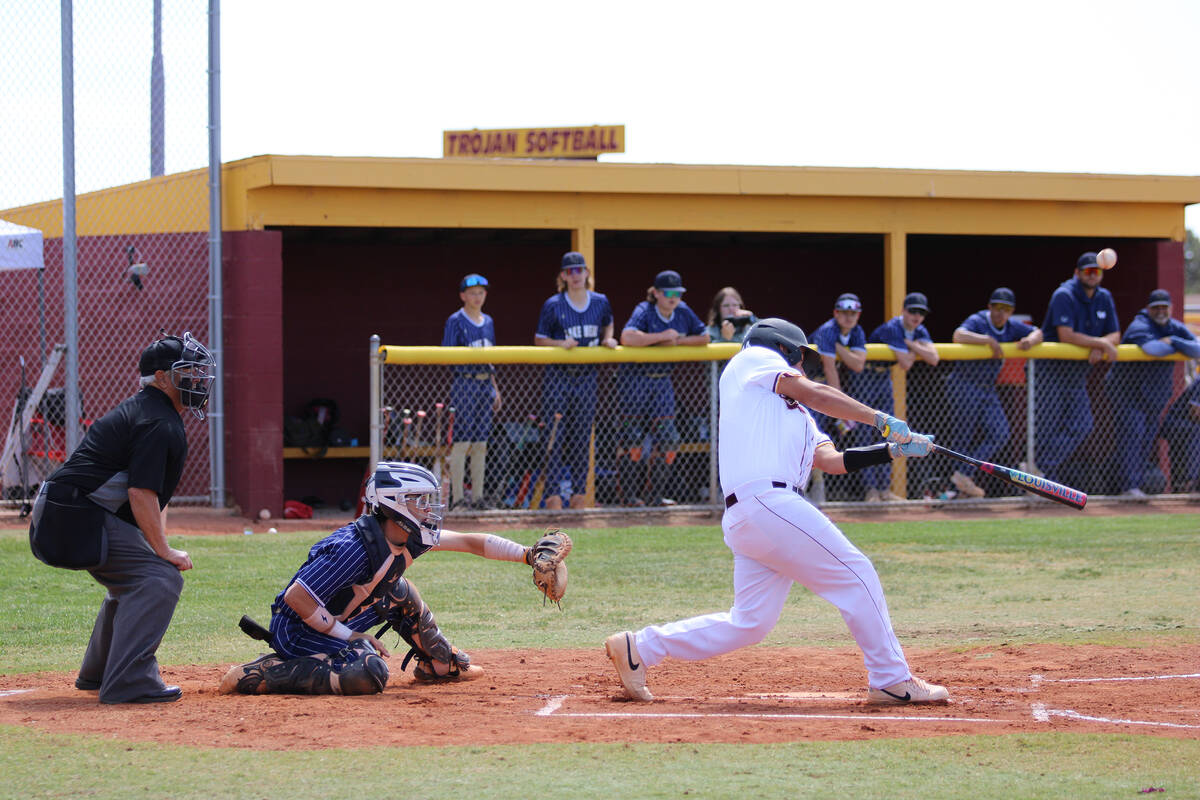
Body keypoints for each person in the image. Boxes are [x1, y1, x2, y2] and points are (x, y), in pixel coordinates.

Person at [604, 318, 947, 704]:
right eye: (799, 357)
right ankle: (891, 678)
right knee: (858, 574)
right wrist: (879, 419)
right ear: (782, 347)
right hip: (767, 503)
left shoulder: (793, 413)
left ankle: (640, 648)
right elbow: (813, 390)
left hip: (759, 515)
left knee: (749, 623)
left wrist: (893, 450)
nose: (802, 364)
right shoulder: (752, 360)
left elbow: (832, 460)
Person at [220, 461, 563, 695]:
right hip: (297, 629)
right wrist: (351, 635)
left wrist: (528, 555)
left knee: (399, 591)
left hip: (337, 616)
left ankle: (438, 664)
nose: (428, 510)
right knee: (367, 672)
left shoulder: (409, 536)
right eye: (420, 502)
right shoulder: (352, 548)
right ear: (395, 505)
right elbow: (298, 598)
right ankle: (268, 671)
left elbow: (471, 542)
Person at [28, 331, 215, 704]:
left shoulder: (152, 412)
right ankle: (128, 680)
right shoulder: (158, 422)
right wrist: (163, 552)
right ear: (162, 378)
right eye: (187, 372)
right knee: (158, 577)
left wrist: (155, 546)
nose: (197, 380)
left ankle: (99, 673)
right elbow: (140, 494)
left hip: (68, 511)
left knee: (139, 575)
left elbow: (149, 499)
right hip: (72, 517)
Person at [617, 269, 709, 506]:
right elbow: (627, 337)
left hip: (663, 380)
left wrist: (676, 340)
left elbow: (704, 336)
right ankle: (629, 498)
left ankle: (655, 496)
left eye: (677, 293)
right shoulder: (644, 310)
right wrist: (660, 337)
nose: (673, 297)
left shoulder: (682, 310)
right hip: (635, 379)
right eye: (668, 292)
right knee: (632, 438)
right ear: (656, 293)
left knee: (668, 438)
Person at [534, 251, 618, 509]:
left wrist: (608, 338)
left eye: (579, 270)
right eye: (570, 271)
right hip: (559, 376)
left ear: (587, 273)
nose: (576, 275)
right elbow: (539, 339)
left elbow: (609, 322)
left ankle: (580, 495)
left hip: (587, 376)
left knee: (583, 436)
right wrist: (560, 343)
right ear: (563, 276)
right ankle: (553, 497)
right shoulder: (553, 304)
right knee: (555, 436)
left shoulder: (600, 301)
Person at [946, 288, 1043, 497]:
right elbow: (958, 335)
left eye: (1006, 309)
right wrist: (987, 340)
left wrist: (1030, 341)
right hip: (965, 384)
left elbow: (1038, 332)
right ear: (989, 307)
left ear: (1011, 311)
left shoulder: (1011, 325)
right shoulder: (979, 320)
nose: (1001, 313)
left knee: (1000, 432)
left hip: (988, 388)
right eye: (997, 308)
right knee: (963, 437)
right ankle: (954, 489)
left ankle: (963, 474)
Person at [1035, 252, 1120, 484]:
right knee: (1046, 428)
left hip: (1075, 375)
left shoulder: (1104, 297)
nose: (1092, 275)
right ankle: (1038, 478)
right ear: (1077, 273)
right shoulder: (1064, 294)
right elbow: (1066, 335)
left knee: (1082, 424)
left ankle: (1039, 469)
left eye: (1097, 271)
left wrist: (1101, 343)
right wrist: (1099, 343)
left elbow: (1115, 334)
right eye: (1088, 271)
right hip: (1049, 372)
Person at [1106, 289, 1200, 497]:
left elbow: (1197, 348)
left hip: (1153, 397)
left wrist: (1173, 341)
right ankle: (1128, 487)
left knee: (1146, 441)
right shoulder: (1140, 325)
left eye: (1164, 307)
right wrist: (1175, 345)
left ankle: (1135, 485)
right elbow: (1153, 349)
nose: (1160, 311)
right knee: (1132, 438)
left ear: (1170, 308)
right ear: (1148, 309)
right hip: (1127, 395)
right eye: (1156, 307)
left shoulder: (1173, 328)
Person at [856, 292, 939, 501]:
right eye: (913, 311)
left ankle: (884, 489)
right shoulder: (893, 327)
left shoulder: (918, 330)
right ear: (903, 311)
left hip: (884, 379)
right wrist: (916, 348)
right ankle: (871, 490)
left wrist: (910, 344)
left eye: (921, 312)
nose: (917, 316)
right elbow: (906, 363)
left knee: (889, 431)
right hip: (865, 377)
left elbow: (933, 358)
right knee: (865, 433)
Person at [442, 273, 501, 509]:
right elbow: (446, 354)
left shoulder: (488, 321)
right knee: (462, 441)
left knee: (481, 442)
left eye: (481, 292)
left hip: (485, 382)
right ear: (463, 295)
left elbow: (491, 358)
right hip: (465, 381)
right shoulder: (455, 320)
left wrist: (496, 389)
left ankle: (477, 497)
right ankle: (457, 498)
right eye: (472, 293)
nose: (477, 297)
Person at [808, 293, 869, 502]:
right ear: (836, 313)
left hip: (824, 387)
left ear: (858, 315)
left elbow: (858, 365)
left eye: (853, 313)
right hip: (809, 385)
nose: (848, 318)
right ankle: (805, 487)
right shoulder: (828, 330)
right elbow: (829, 368)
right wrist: (839, 406)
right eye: (844, 313)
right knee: (809, 436)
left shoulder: (857, 331)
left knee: (823, 439)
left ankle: (817, 488)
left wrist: (839, 347)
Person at [1157, 369, 1200, 494]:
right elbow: (1195, 413)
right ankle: (1191, 482)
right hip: (1176, 423)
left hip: (1190, 425)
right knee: (1196, 430)